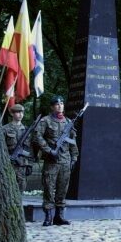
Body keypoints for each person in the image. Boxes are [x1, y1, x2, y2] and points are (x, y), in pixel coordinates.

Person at [33, 95, 79, 226]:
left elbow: (73, 142)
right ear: (52, 107)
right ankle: (48, 216)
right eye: (57, 104)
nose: (60, 106)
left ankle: (59, 216)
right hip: (51, 161)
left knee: (62, 189)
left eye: (62, 104)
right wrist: (48, 150)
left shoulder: (68, 122)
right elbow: (37, 136)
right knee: (49, 187)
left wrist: (74, 157)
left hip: (65, 161)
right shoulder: (45, 121)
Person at [3, 104, 33, 194]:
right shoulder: (4, 129)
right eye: (18, 112)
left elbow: (29, 150)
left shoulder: (26, 130)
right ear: (12, 113)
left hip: (22, 165)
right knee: (7, 190)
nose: (20, 114)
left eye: (22, 112)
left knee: (20, 191)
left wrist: (30, 165)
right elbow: (1, 148)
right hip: (8, 164)